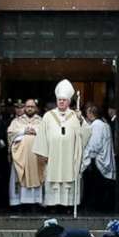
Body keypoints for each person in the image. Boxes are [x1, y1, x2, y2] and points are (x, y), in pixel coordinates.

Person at [38, 84, 85, 213]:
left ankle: (68, 205)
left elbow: (84, 134)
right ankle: (52, 205)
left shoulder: (75, 116)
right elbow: (41, 135)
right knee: (53, 178)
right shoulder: (48, 116)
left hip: (69, 155)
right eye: (59, 100)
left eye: (64, 100)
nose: (61, 102)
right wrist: (43, 153)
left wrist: (81, 120)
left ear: (69, 101)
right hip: (52, 154)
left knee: (67, 179)